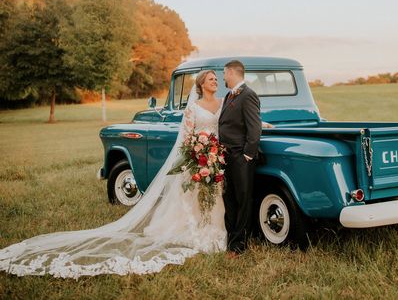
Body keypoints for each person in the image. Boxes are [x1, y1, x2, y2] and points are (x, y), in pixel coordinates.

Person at [0, 70, 227, 278]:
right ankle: (192, 229)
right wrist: (198, 152)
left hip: (214, 155)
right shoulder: (193, 106)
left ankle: (212, 228)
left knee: (213, 194)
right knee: (191, 195)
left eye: (216, 79)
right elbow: (187, 136)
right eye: (211, 79)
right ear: (201, 84)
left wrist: (213, 152)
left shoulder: (221, 102)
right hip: (197, 156)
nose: (215, 81)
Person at [218, 59, 261, 255]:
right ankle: (231, 242)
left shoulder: (248, 95)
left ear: (232, 73)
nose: (223, 77)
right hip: (226, 156)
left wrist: (247, 156)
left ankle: (240, 246)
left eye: (225, 73)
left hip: (240, 158)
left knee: (243, 200)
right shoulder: (228, 95)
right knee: (230, 200)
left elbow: (254, 128)